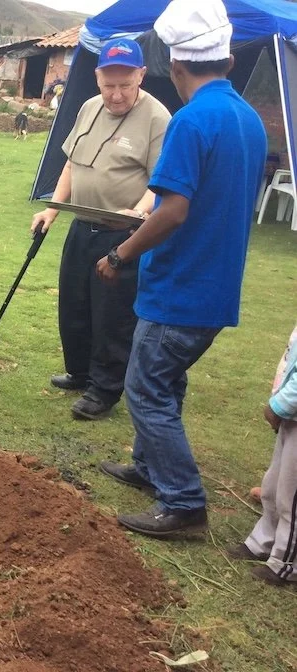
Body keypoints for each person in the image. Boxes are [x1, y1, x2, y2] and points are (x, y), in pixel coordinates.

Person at [97, 0, 267, 538]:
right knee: (166, 382)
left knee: (145, 387)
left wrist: (121, 253)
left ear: (174, 65)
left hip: (182, 286)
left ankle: (184, 502)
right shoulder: (247, 118)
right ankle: (150, 469)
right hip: (217, 286)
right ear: (230, 60)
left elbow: (171, 210)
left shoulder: (193, 121)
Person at [31, 38, 170, 421]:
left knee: (113, 315)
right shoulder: (90, 108)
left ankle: (104, 390)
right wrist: (52, 211)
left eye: (125, 84)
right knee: (74, 305)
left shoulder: (158, 118)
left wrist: (139, 212)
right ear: (97, 78)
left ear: (141, 75)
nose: (117, 94)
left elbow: (161, 182)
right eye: (109, 84)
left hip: (122, 234)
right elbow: (72, 166)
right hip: (81, 223)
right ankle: (80, 372)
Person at [227, 322, 297, 588]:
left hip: (291, 409)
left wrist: (280, 404)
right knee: (273, 487)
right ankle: (263, 542)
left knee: (292, 497)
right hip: (290, 413)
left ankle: (286, 564)